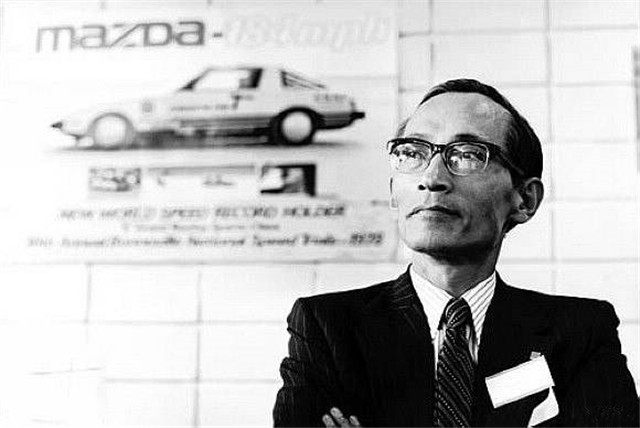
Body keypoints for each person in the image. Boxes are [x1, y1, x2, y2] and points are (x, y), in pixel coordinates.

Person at [272, 79, 639, 427]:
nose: (432, 178)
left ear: (525, 199)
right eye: (412, 153)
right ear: (394, 191)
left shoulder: (579, 332)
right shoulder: (327, 327)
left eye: (466, 155)